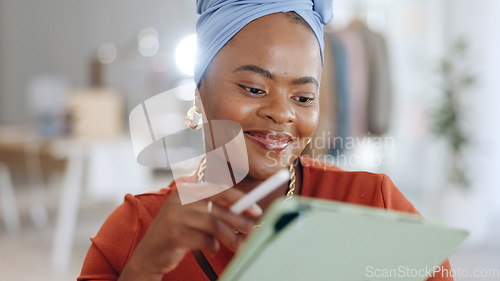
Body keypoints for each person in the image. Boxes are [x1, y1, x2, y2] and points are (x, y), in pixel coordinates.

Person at [78, 1, 454, 280]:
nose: (282, 113)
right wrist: (145, 267)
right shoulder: (137, 229)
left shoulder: (375, 207)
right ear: (199, 92)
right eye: (254, 88)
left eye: (304, 97)